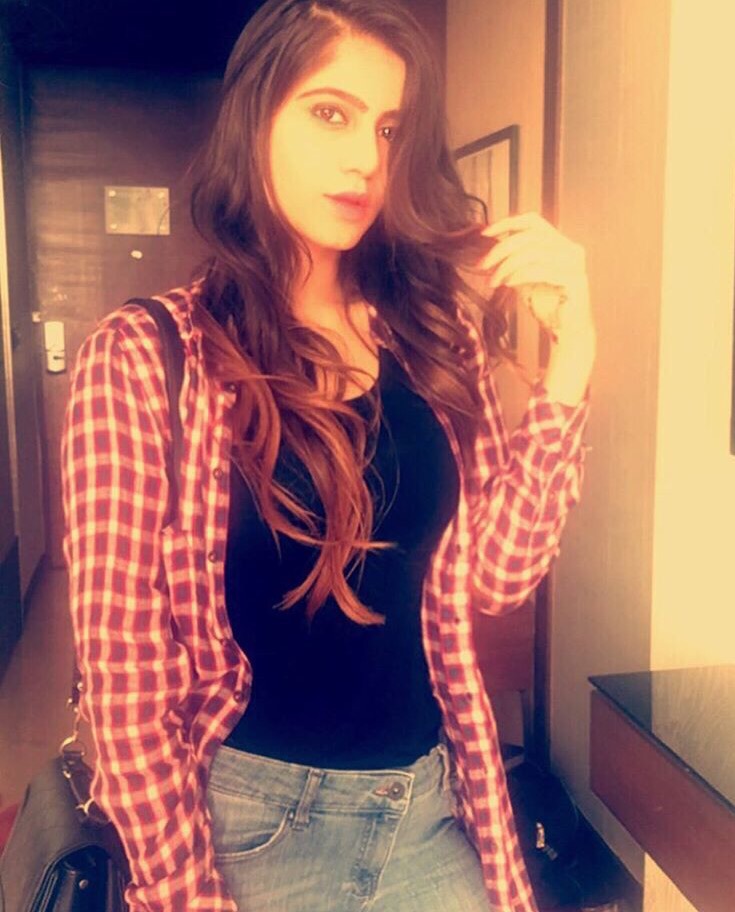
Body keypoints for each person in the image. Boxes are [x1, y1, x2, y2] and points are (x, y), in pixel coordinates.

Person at [60, 1, 595, 911]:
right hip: (249, 832)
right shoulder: (147, 356)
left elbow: (495, 577)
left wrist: (571, 362)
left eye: (389, 129)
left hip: (430, 806)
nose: (366, 161)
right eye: (329, 113)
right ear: (255, 119)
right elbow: (124, 674)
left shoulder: (435, 340)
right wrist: (185, 892)